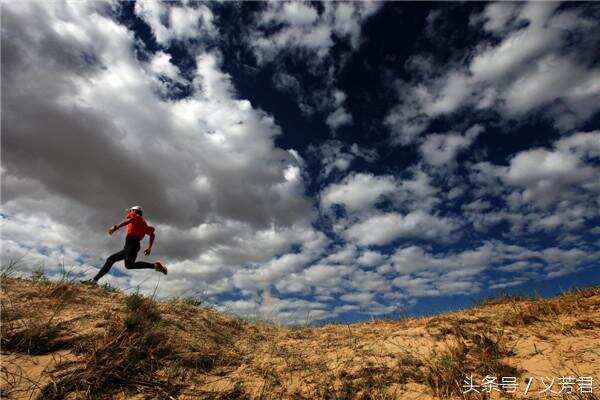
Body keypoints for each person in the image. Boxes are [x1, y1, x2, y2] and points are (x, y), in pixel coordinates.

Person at [87, 206, 167, 284]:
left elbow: (130, 220)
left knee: (128, 264)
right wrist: (149, 248)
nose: (129, 214)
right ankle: (94, 281)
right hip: (131, 245)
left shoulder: (136, 217)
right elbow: (152, 235)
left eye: (131, 211)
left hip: (132, 244)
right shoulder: (143, 223)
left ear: (134, 211)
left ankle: (156, 265)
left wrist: (116, 227)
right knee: (111, 260)